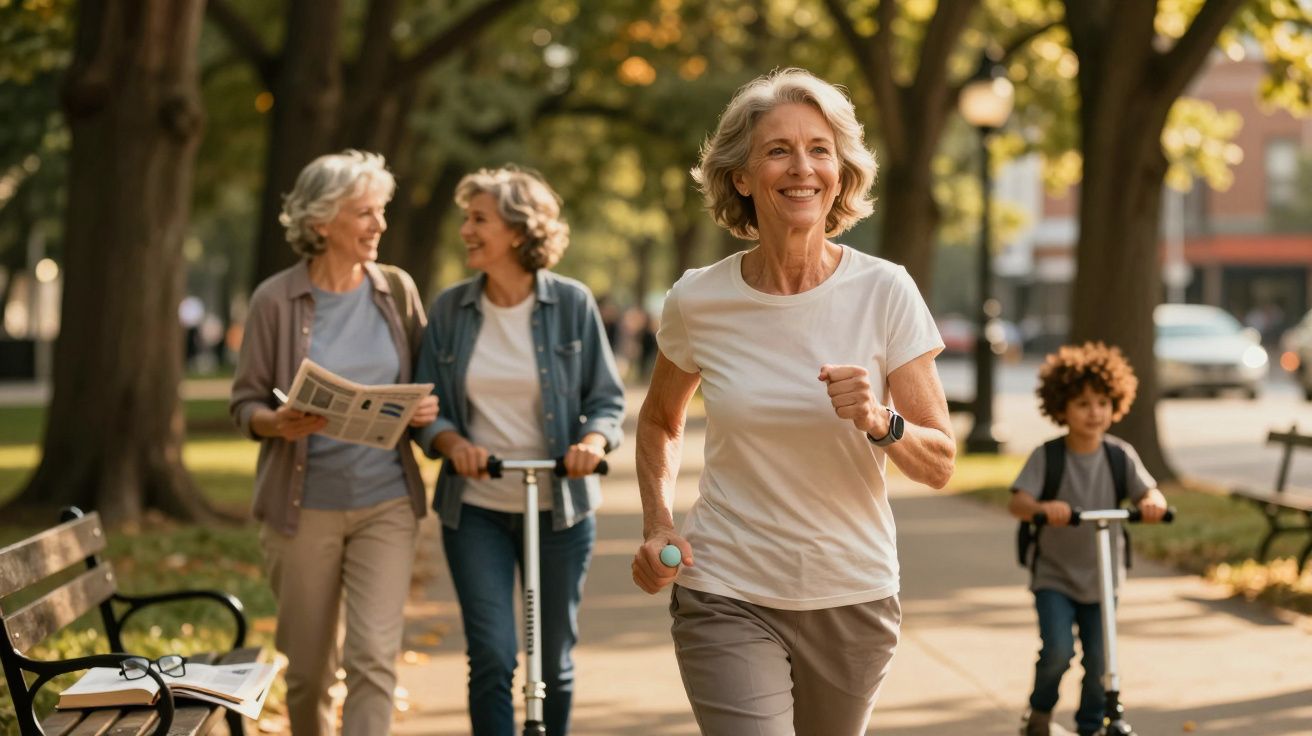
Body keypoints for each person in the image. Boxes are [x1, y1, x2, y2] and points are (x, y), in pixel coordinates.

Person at [629, 68, 956, 735]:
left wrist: (880, 421)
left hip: (853, 593)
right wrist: (659, 523)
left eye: (819, 149)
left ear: (841, 172)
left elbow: (941, 461)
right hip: (726, 588)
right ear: (742, 177)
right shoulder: (698, 300)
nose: (801, 167)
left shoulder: (885, 292)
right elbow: (661, 419)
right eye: (778, 149)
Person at [229, 150, 436, 736]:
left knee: (371, 656)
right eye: (365, 213)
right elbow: (244, 404)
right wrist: (276, 423)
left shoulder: (396, 290)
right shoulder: (275, 300)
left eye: (382, 211)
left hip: (386, 502)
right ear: (321, 221)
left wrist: (423, 408)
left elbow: (426, 383)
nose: (380, 226)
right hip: (302, 511)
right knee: (310, 671)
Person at [414, 165, 625, 736]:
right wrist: (452, 443)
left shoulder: (572, 304)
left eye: (478, 219)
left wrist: (591, 441)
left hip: (560, 506)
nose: (466, 230)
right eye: (466, 219)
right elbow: (429, 405)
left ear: (517, 230)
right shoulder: (450, 310)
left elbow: (606, 399)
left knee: (551, 662)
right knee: (492, 655)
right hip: (476, 507)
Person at [1007, 342, 1168, 736]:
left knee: (1100, 660)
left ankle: (1091, 726)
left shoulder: (1120, 456)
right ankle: (1039, 711)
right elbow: (1018, 503)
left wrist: (1152, 504)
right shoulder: (1049, 457)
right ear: (1061, 408)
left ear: (1116, 404)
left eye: (1101, 402)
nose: (1094, 412)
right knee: (1058, 652)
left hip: (1103, 577)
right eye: (1082, 404)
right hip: (1055, 577)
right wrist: (1044, 508)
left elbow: (1151, 493)